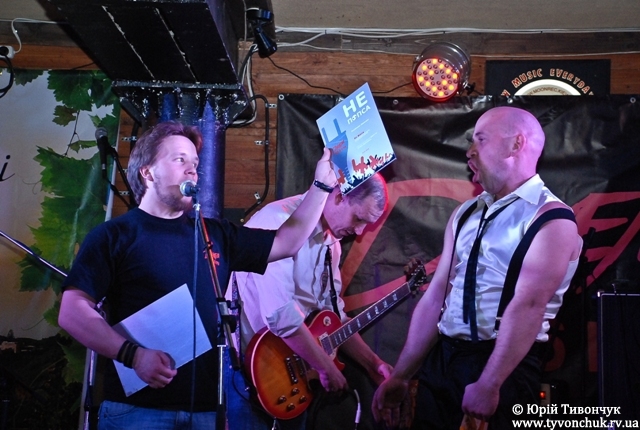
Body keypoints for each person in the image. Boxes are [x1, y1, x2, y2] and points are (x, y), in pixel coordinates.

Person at [58, 120, 338, 430]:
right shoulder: (114, 236)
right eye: (180, 159)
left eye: (195, 163)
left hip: (205, 412)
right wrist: (133, 355)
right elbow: (72, 312)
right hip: (136, 411)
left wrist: (322, 186)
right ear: (147, 172)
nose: (192, 169)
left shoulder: (214, 233)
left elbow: (287, 242)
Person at [371, 106, 583, 429]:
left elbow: (529, 306)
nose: (470, 151)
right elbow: (436, 298)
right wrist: (401, 376)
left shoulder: (551, 218)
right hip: (443, 362)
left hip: (502, 367)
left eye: (480, 140)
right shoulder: (466, 213)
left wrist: (490, 383)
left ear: (516, 144)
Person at [225, 173, 393, 430]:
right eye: (359, 218)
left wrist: (373, 364)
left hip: (291, 374)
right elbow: (281, 315)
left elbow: (335, 316)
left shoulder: (332, 245)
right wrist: (325, 367)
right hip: (248, 374)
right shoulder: (278, 222)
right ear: (339, 197)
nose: (359, 231)